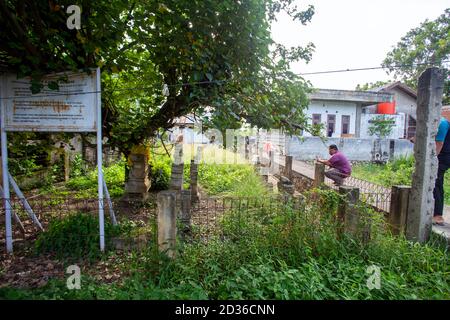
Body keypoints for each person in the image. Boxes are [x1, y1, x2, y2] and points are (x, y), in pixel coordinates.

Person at [432, 117, 450, 226]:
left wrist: (432, 159)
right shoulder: (440, 123)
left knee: (435, 183)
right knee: (438, 183)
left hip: (443, 157)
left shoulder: (442, 123)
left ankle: (438, 216)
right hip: (444, 156)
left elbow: (439, 143)